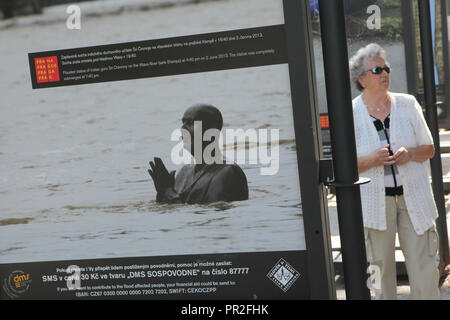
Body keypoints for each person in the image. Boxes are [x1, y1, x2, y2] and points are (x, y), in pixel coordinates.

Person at [349, 43, 440, 299]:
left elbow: (430, 149)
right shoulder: (350, 113)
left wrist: (410, 154)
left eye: (386, 68)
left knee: (424, 271)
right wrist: (373, 159)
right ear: (362, 79)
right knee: (380, 273)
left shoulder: (408, 104)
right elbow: (344, 166)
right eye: (377, 70)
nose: (384, 74)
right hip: (375, 205)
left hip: (415, 199)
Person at [147, 104, 248, 204]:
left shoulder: (228, 173)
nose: (183, 129)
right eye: (183, 122)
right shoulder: (184, 173)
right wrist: (162, 193)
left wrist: (169, 193)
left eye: (190, 123)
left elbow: (213, 214)